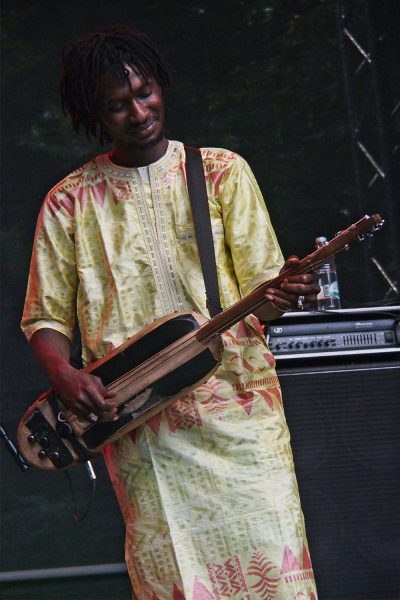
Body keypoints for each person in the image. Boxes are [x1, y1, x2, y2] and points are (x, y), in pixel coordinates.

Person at [21, 26, 319, 600]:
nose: (138, 112)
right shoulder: (69, 200)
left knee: (275, 572)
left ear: (161, 87)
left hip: (239, 412)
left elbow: (266, 292)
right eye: (117, 104)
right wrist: (64, 373)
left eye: (146, 92)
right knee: (176, 583)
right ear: (94, 114)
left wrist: (285, 293)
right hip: (142, 423)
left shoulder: (222, 172)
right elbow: (45, 318)